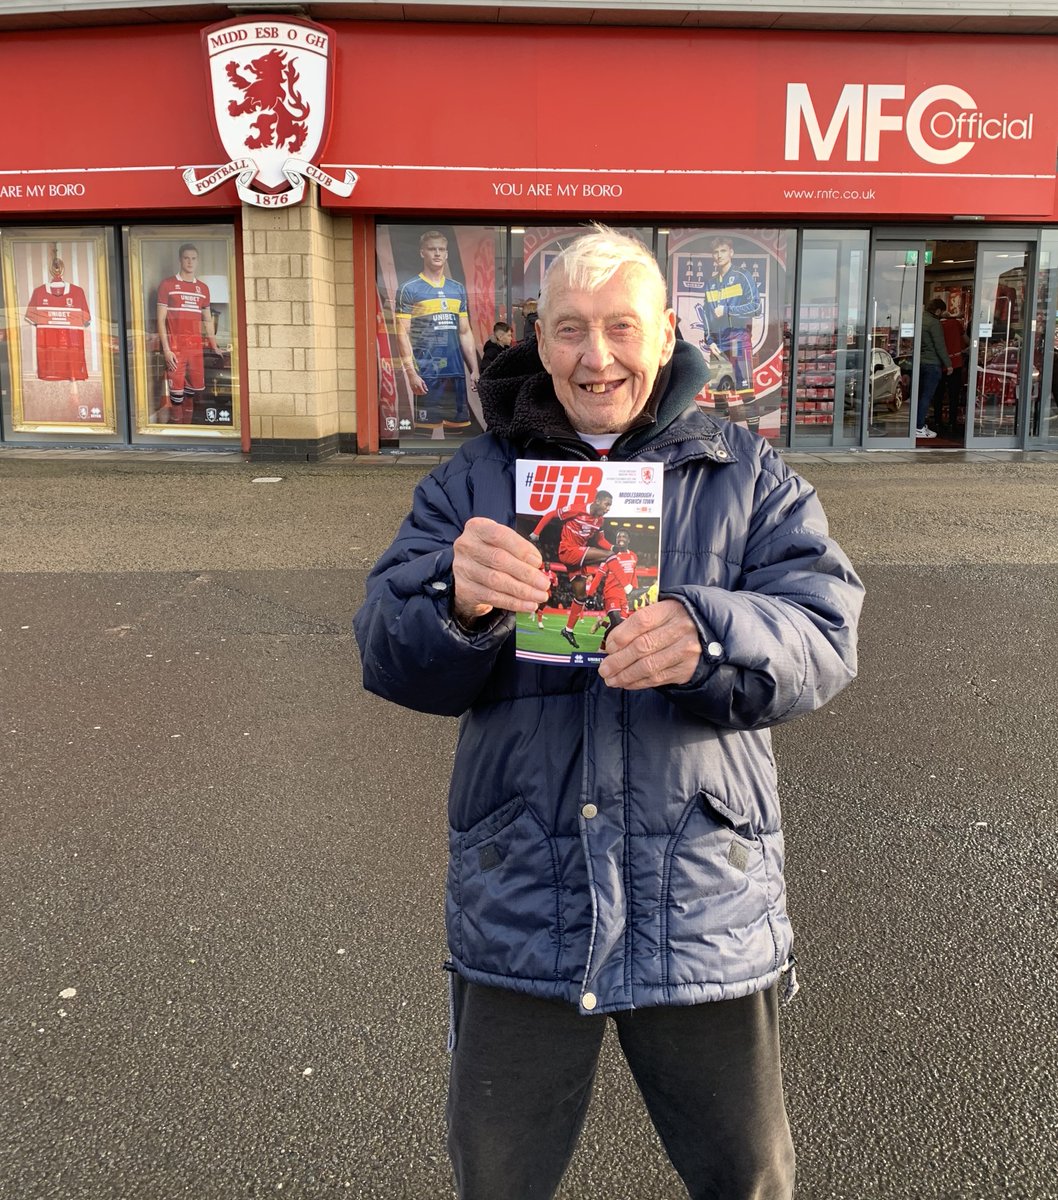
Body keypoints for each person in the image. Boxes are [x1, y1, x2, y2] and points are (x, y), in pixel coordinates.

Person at [354, 225, 863, 1200]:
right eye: (570, 330)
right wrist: (451, 604)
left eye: (621, 327)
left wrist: (710, 634)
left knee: (746, 1177)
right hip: (522, 893)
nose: (596, 357)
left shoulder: (745, 476)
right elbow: (384, 645)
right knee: (496, 1177)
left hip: (703, 891)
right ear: (536, 341)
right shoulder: (473, 482)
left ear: (665, 335)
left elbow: (822, 632)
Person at [394, 230, 480, 440]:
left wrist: (475, 369)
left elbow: (465, 331)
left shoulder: (457, 289)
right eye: (432, 249)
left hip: (454, 371)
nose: (437, 254)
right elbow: (402, 333)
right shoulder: (409, 289)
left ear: (447, 254)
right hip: (426, 371)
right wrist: (411, 373)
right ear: (422, 252)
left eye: (441, 249)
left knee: (456, 432)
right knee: (424, 432)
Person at [529, 488, 614, 648]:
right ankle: (627, 586)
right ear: (597, 501)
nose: (608, 508)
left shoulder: (600, 520)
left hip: (577, 557)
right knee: (609, 555)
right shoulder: (577, 509)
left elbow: (601, 540)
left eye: (610, 506)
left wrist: (614, 546)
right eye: (607, 504)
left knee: (581, 596)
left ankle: (568, 630)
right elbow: (551, 514)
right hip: (568, 550)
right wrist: (536, 533)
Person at [702, 236, 762, 430]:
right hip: (717, 344)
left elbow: (756, 307)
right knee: (720, 396)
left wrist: (728, 310)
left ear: (731, 253)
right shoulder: (710, 283)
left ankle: (755, 441)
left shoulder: (743, 276)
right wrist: (708, 339)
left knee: (746, 392)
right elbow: (706, 314)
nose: (719, 255)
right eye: (716, 252)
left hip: (738, 339)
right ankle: (723, 440)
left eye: (723, 251)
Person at [156, 243, 220, 425]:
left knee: (192, 392)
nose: (190, 262)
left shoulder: (203, 288)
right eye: (186, 258)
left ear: (197, 261)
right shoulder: (167, 285)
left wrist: (214, 345)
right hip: (175, 348)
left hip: (195, 348)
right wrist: (166, 350)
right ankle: (178, 431)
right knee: (176, 395)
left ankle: (188, 427)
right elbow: (161, 320)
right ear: (180, 260)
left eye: (193, 258)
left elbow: (207, 320)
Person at [24, 257, 91, 402]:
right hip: (51, 358)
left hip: (67, 353)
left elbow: (86, 320)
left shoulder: (77, 293)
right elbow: (86, 321)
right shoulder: (39, 293)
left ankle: (72, 391)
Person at [584, 528, 643, 649]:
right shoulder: (609, 556)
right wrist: (590, 594)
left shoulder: (633, 556)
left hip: (625, 596)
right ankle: (602, 648)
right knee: (616, 622)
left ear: (628, 540)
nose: (621, 539)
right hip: (611, 593)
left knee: (621, 626)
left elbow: (633, 575)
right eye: (618, 537)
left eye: (623, 536)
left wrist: (635, 592)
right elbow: (599, 576)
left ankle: (602, 623)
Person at [916, 298, 952, 439]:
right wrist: (948, 364)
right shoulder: (934, 323)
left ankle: (916, 424)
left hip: (920, 363)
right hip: (932, 364)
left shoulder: (919, 319)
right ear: (938, 310)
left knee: (919, 396)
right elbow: (940, 346)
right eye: (941, 311)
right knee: (927, 396)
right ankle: (919, 427)